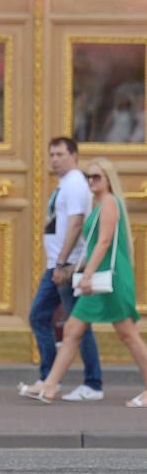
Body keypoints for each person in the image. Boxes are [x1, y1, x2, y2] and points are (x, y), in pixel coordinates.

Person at [21, 157, 147, 408]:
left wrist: (86, 275)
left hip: (109, 279)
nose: (91, 181)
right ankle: (49, 387)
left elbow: (103, 243)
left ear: (109, 180)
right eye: (88, 176)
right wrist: (75, 269)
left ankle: (51, 385)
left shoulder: (110, 202)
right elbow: (92, 246)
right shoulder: (98, 204)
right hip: (98, 278)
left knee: (128, 334)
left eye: (97, 177)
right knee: (72, 330)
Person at [24, 137, 103, 402]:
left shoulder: (76, 185)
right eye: (51, 155)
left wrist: (62, 263)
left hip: (67, 266)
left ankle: (91, 383)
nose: (54, 159)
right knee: (45, 318)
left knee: (76, 325)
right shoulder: (65, 184)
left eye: (60, 154)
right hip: (57, 264)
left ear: (74, 156)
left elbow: (76, 224)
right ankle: (49, 378)